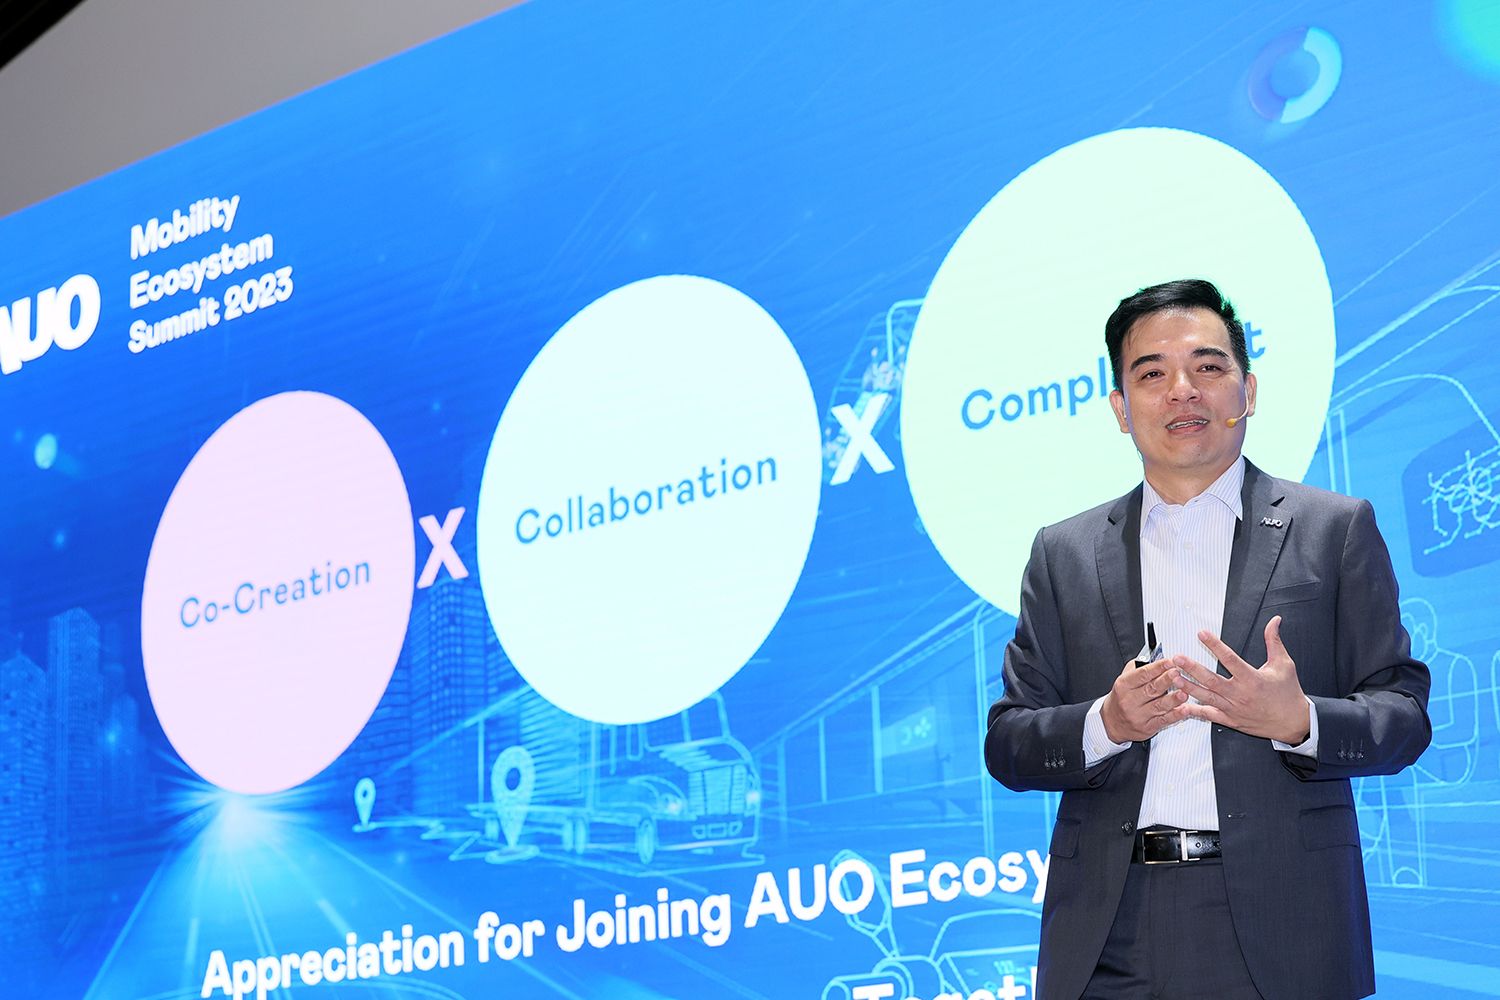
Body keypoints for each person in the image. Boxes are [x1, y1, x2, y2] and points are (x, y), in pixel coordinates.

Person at [984, 278, 1431, 1000]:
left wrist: (1300, 720)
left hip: (1285, 924)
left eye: (1209, 366)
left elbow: (1404, 719)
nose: (1183, 390)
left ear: (1247, 392)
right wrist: (1107, 724)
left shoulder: (1334, 529)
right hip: (1108, 931)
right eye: (1151, 374)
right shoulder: (1063, 555)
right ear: (1120, 409)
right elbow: (1008, 743)